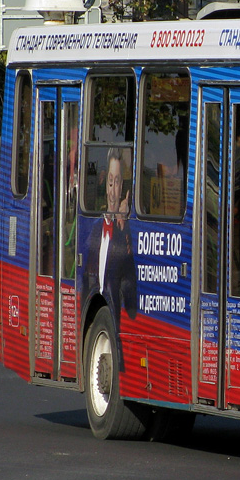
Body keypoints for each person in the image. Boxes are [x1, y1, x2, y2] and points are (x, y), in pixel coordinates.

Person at [84, 149, 137, 367]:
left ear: (124, 190)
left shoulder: (127, 234)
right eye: (110, 183)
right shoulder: (96, 229)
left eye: (118, 183)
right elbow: (87, 280)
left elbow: (132, 302)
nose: (113, 191)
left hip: (119, 332)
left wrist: (125, 233)